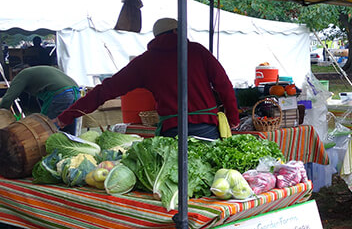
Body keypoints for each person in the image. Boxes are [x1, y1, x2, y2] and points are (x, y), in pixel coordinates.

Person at [56, 18, 239, 139]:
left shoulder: (145, 62)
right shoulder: (197, 51)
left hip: (172, 134)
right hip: (207, 130)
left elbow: (105, 90)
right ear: (177, 32)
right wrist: (233, 119)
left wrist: (67, 116)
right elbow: (224, 86)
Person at [0, 65, 80, 135]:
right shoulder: (36, 71)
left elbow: (8, 99)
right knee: (69, 125)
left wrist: (2, 113)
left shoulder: (22, 75)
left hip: (61, 94)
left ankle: (48, 150)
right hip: (77, 92)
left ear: (15, 74)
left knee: (44, 127)